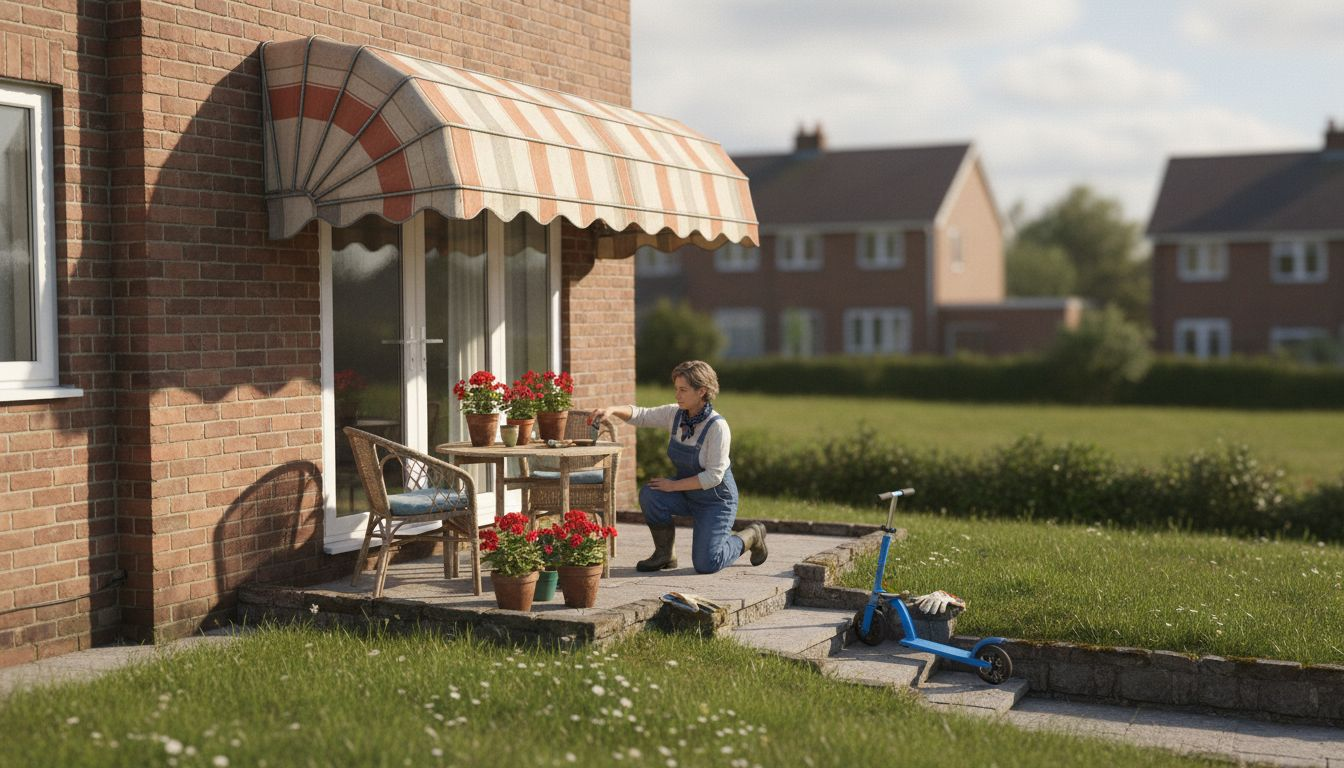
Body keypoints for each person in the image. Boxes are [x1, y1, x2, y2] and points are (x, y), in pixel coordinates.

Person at [588, 360, 766, 574]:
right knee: (650, 494)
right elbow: (642, 415)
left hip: (715, 501)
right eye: (676, 389)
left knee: (707, 563)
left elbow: (713, 477)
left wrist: (672, 486)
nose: (677, 395)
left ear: (702, 391)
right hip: (687, 493)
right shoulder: (675, 415)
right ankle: (665, 554)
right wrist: (612, 410)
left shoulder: (717, 427)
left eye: (683, 390)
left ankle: (751, 535)